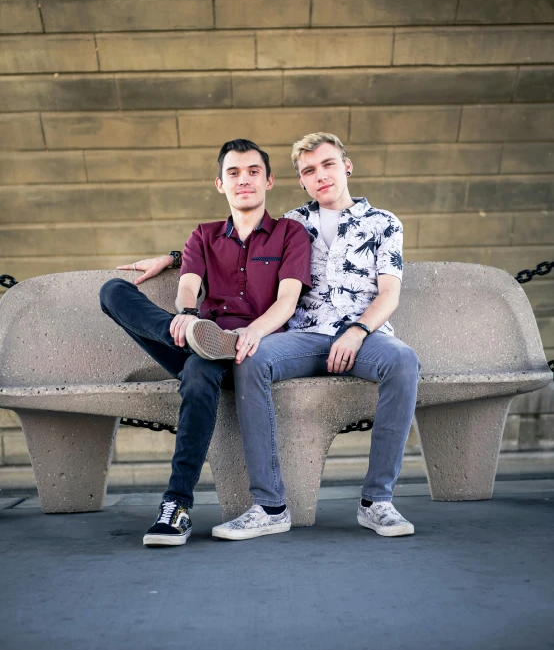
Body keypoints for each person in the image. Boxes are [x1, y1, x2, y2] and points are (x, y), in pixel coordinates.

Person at [126, 133, 421, 540]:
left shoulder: (384, 223)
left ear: (346, 166)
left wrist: (357, 332)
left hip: (364, 337)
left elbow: (390, 294)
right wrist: (174, 258)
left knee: (404, 360)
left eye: (328, 164)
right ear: (300, 181)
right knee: (252, 355)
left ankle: (378, 501)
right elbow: (238, 233)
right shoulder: (294, 223)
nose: (320, 176)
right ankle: (269, 506)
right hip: (301, 337)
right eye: (309, 171)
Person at [100, 139, 311, 547]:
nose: (243, 180)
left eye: (253, 171)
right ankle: (195, 340)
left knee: (197, 372)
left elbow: (287, 301)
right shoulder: (204, 235)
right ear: (219, 184)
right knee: (113, 291)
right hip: (202, 342)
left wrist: (251, 333)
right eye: (233, 173)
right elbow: (188, 287)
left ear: (269, 180)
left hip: (254, 350)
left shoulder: (291, 233)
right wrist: (184, 317)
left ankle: (176, 505)